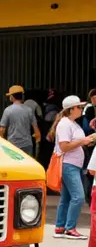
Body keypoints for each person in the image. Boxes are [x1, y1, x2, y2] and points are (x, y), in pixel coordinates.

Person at [50, 95, 96, 239]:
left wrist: (86, 141)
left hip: (71, 164)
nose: (81, 109)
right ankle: (70, 228)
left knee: (66, 197)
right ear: (71, 109)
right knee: (78, 197)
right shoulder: (65, 124)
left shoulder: (71, 123)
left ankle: (60, 226)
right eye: (79, 107)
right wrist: (83, 141)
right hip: (69, 164)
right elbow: (64, 146)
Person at [0, 85, 40, 156]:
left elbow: (2, 130)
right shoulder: (29, 110)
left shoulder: (8, 110)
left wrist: (1, 143)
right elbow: (36, 129)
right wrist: (37, 141)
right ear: (22, 96)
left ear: (11, 97)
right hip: (27, 144)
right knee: (27, 166)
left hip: (12, 144)